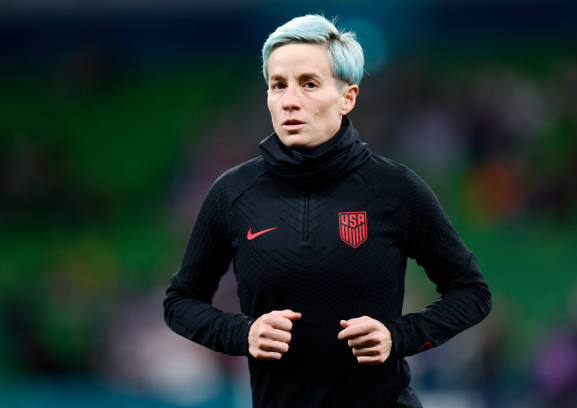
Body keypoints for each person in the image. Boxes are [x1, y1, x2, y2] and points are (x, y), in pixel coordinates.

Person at [163, 14, 492, 408]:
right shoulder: (232, 193)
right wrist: (242, 334)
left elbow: (472, 293)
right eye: (277, 85)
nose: (289, 100)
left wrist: (399, 336)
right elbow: (180, 302)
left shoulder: (396, 189)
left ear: (347, 97)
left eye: (309, 84)